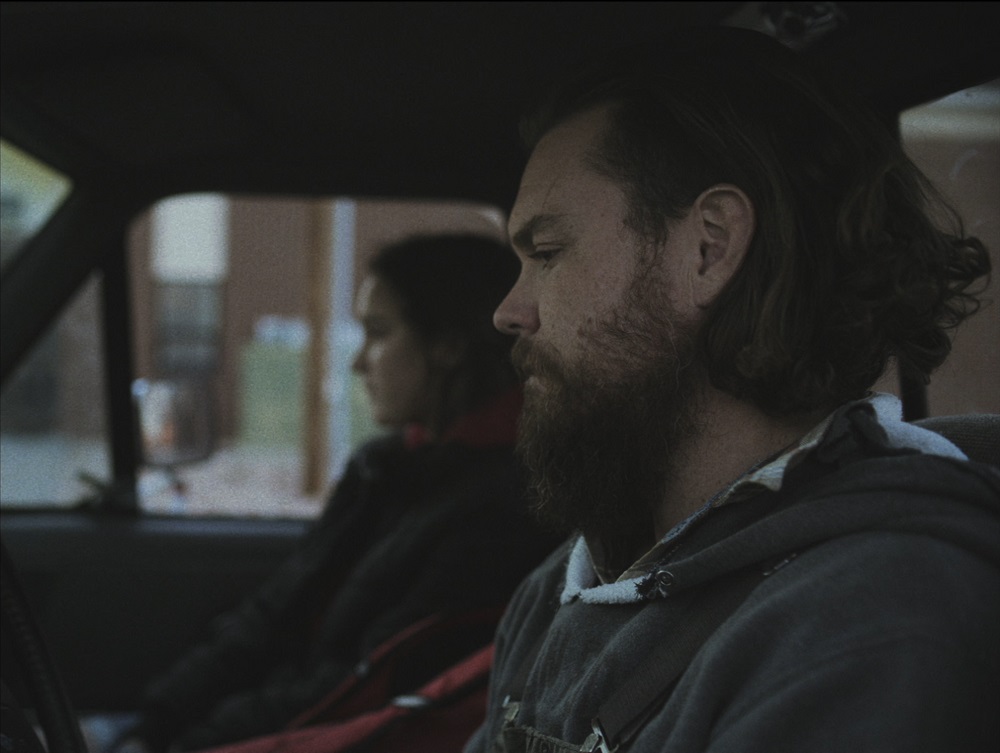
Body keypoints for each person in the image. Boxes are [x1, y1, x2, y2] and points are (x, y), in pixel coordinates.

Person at [464, 26, 1000, 753]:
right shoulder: (564, 582)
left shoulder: (870, 622)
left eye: (548, 252)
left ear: (709, 247)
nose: (508, 311)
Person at [110, 234, 561, 753]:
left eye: (378, 333)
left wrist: (187, 743)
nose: (358, 362)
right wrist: (153, 724)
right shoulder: (383, 467)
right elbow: (272, 614)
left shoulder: (503, 511)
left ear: (448, 347)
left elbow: (358, 691)